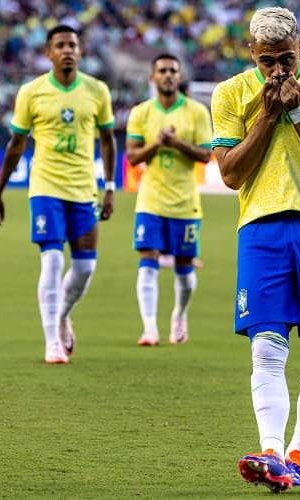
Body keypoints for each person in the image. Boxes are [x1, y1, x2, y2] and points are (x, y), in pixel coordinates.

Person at [210, 6, 300, 492]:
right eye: (267, 60)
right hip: (260, 229)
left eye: (286, 61)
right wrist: (267, 116)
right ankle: (272, 453)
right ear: (251, 52)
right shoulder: (231, 92)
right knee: (266, 350)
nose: (277, 71)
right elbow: (231, 174)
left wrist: (296, 112)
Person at [0, 25, 117, 364]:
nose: (67, 50)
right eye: (60, 45)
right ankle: (51, 342)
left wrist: (110, 187)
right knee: (53, 259)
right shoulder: (31, 92)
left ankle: (61, 316)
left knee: (86, 267)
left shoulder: (97, 90)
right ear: (48, 53)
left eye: (72, 45)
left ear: (80, 50)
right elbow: (16, 143)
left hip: (84, 188)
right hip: (45, 187)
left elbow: (107, 140)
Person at [126, 53, 212, 346]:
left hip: (185, 202)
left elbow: (205, 154)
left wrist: (175, 143)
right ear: (152, 77)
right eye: (162, 70)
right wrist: (157, 144)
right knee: (147, 261)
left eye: (173, 71)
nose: (167, 75)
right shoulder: (141, 113)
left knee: (185, 270)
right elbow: (132, 156)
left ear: (179, 76)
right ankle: (149, 328)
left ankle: (179, 314)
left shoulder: (196, 112)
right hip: (150, 201)